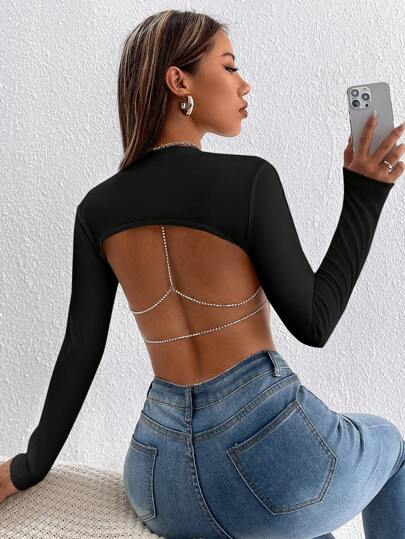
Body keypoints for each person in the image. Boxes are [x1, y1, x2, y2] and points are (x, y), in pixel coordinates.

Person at [1, 8, 404, 539]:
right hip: (271, 458)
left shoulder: (97, 209)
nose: (244, 83)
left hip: (159, 479)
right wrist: (365, 194)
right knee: (391, 446)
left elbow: (80, 349)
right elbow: (315, 321)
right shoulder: (248, 181)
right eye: (230, 66)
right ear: (179, 81)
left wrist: (28, 467)